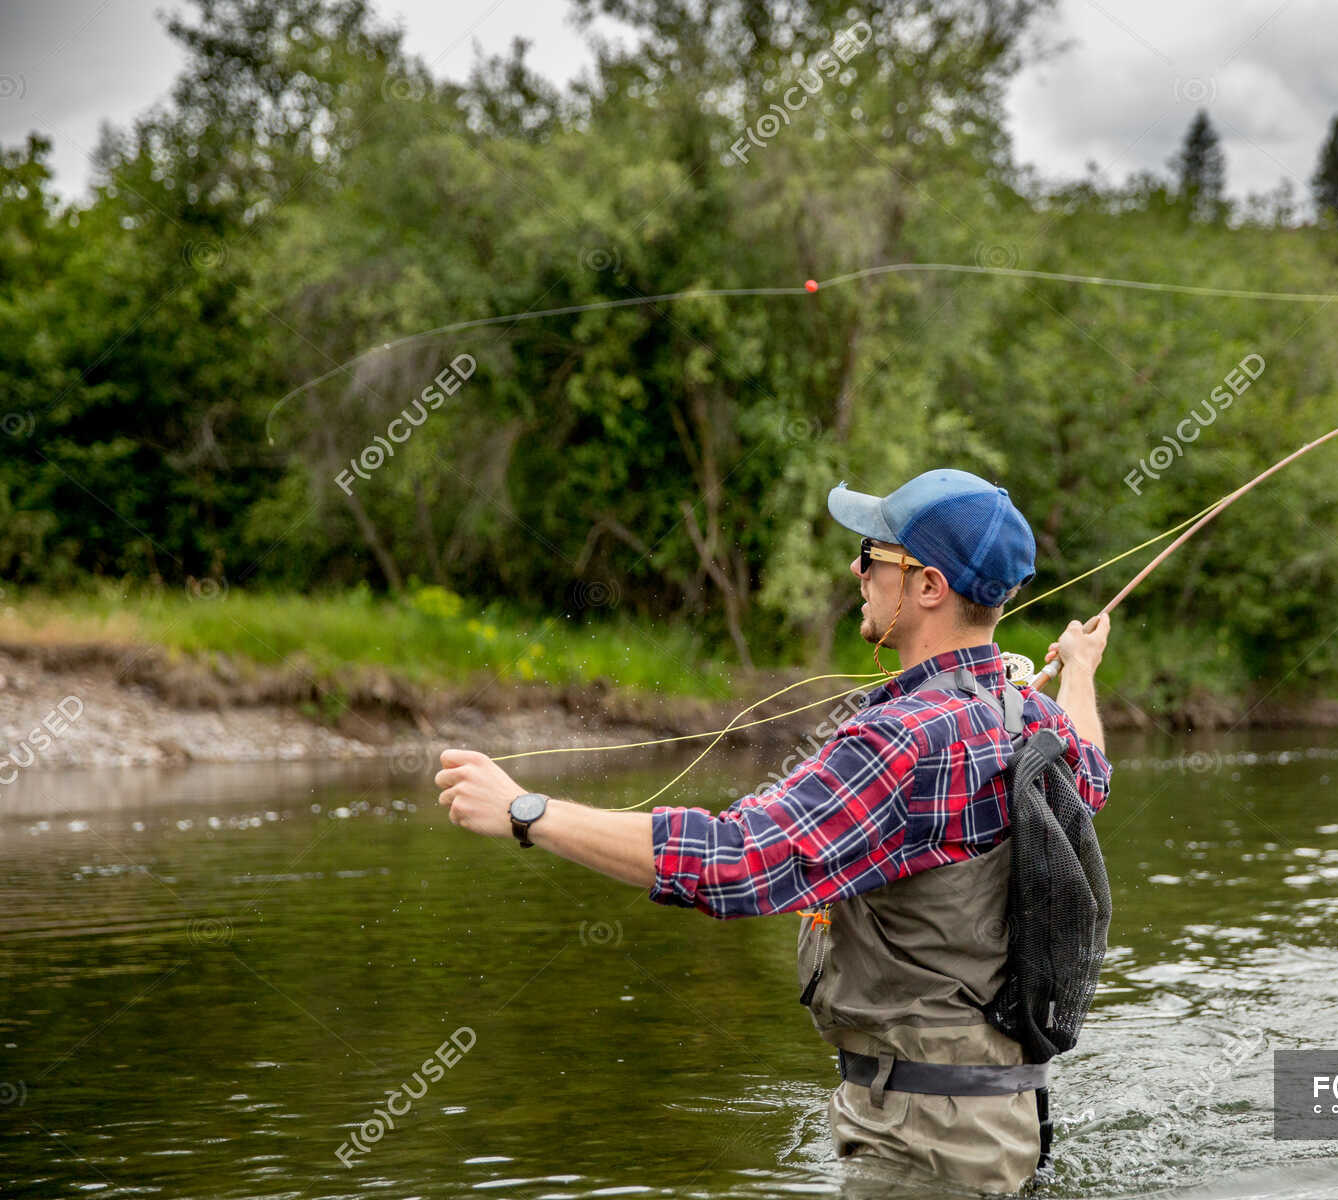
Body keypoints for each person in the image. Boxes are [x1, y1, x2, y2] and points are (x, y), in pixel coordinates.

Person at [437, 467, 1112, 1194]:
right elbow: (1095, 772)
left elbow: (739, 861)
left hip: (924, 1150)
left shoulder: (900, 741)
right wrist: (1079, 672)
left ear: (927, 587)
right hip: (1006, 1123)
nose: (856, 568)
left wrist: (527, 813)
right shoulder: (1036, 722)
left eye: (873, 553)